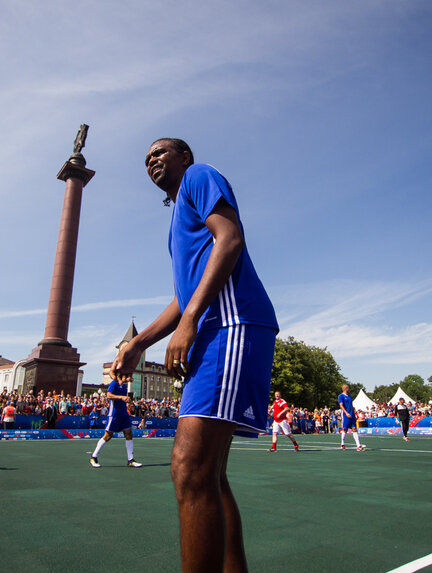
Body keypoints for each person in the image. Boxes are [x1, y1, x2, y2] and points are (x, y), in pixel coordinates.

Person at [109, 138, 278, 572]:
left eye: (161, 152)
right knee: (209, 476)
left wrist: (190, 322)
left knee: (189, 466)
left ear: (185, 156)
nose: (152, 160)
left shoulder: (199, 176)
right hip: (212, 329)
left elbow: (231, 239)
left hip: (232, 323)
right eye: (146, 157)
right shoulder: (178, 219)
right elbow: (182, 297)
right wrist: (138, 342)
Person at [89, 377, 142, 468]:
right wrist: (121, 397)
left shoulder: (124, 386)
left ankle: (130, 460)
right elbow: (108, 395)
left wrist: (127, 399)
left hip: (124, 414)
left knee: (129, 434)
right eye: (128, 375)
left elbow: (123, 399)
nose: (130, 377)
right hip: (114, 414)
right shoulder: (114, 383)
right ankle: (94, 457)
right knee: (108, 436)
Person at [338, 384, 365, 451]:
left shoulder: (350, 397)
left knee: (354, 429)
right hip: (345, 415)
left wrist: (353, 411)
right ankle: (342, 444)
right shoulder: (341, 396)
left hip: (352, 414)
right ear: (345, 388)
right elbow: (341, 405)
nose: (349, 389)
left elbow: (351, 405)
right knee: (345, 429)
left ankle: (358, 445)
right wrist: (346, 413)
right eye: (348, 388)